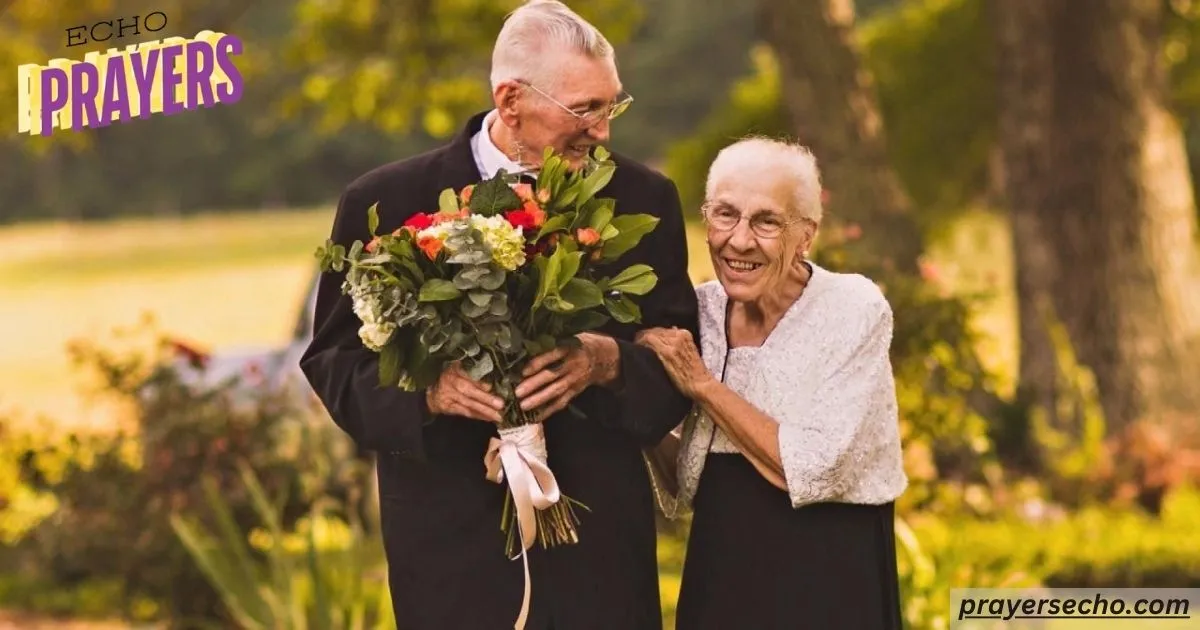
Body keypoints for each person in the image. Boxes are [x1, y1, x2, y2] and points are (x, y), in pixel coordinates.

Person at [299, 2, 698, 629]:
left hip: (599, 555)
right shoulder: (383, 201)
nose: (602, 131)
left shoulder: (645, 199)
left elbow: (678, 369)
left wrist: (608, 362)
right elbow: (334, 364)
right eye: (584, 109)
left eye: (611, 105)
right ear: (510, 100)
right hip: (449, 551)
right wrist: (428, 394)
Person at [636, 137, 908, 630]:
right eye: (724, 215)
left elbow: (815, 470)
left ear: (806, 235)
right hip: (722, 569)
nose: (739, 240)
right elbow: (690, 479)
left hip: (826, 571)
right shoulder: (699, 311)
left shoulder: (852, 308)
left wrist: (702, 386)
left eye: (766, 221)